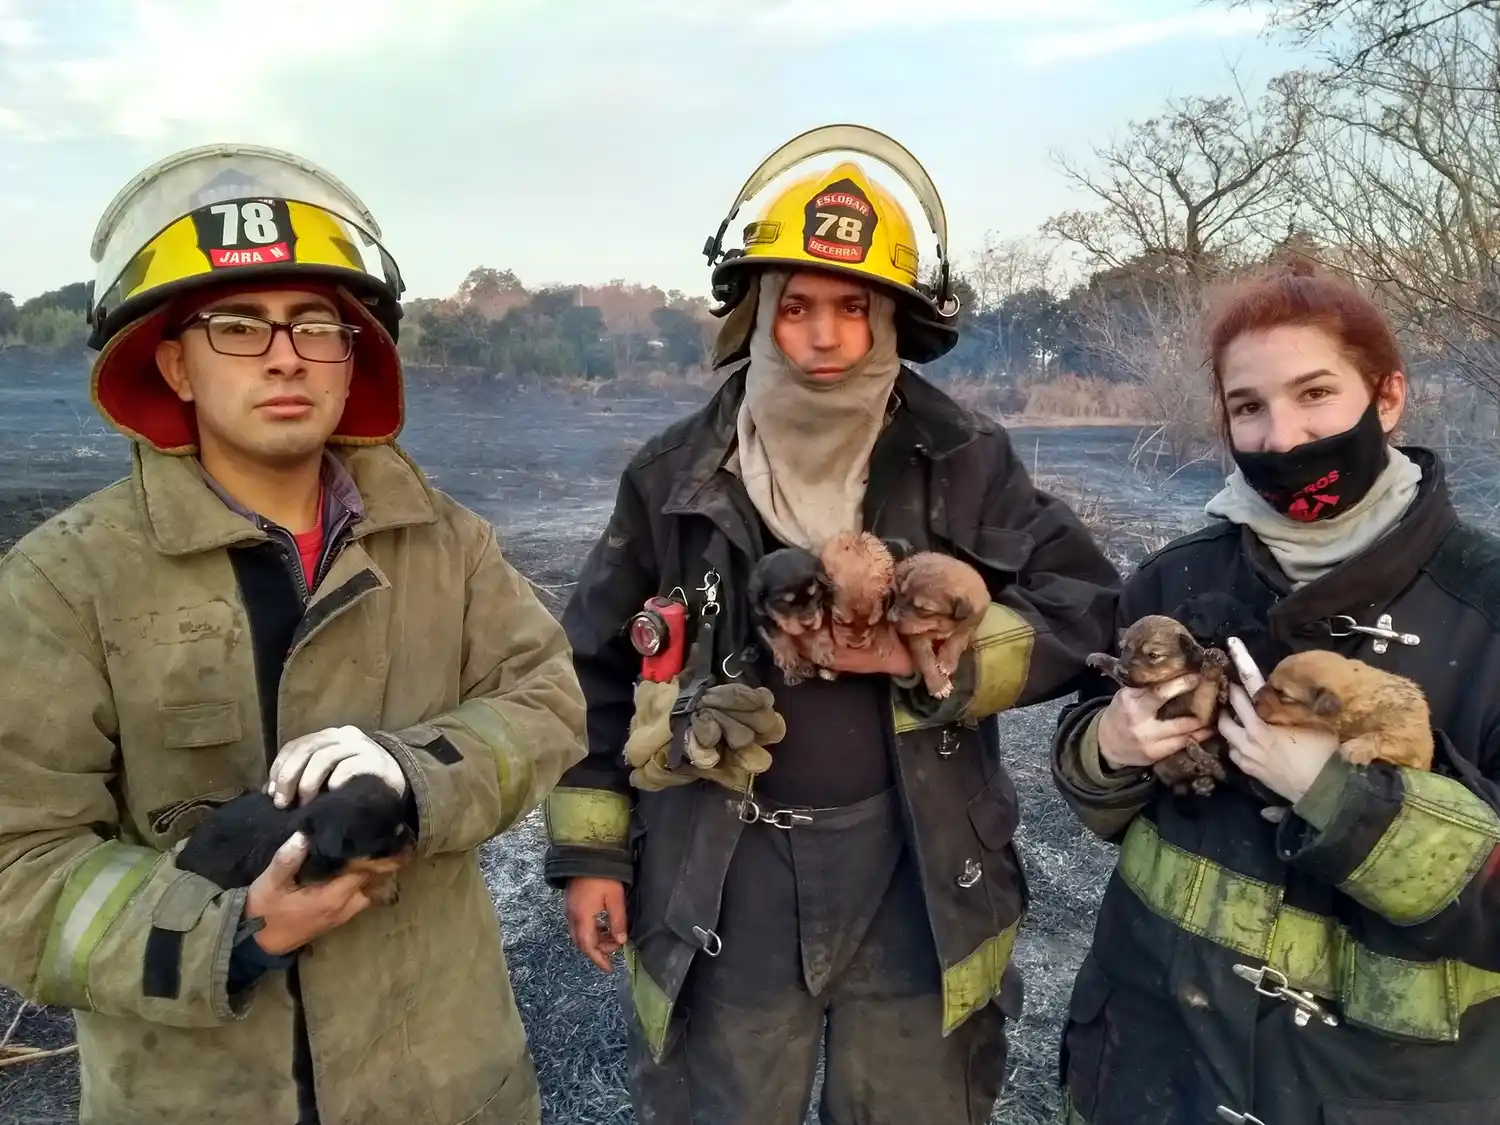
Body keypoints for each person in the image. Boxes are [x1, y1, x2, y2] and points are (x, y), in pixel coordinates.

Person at [544, 124, 1121, 1124]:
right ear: (758, 316)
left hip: (916, 871)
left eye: (852, 308)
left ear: (891, 316)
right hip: (725, 874)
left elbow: (1087, 602)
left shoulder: (963, 456)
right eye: (796, 306)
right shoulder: (675, 474)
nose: (821, 335)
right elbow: (591, 665)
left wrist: (946, 655)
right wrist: (593, 852)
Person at [0, 143, 587, 1125]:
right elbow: (19, 862)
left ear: (352, 361)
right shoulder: (64, 584)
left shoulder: (443, 542)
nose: (284, 355)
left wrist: (414, 771)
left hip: (447, 1090)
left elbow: (551, 702)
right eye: (238, 326)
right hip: (195, 1098)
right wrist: (224, 928)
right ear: (173, 363)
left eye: (317, 326)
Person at [1051, 261, 1500, 1124]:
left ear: (1389, 397)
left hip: (1381, 1093)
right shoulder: (1174, 578)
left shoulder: (1484, 612)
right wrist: (1106, 748)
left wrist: (1344, 799)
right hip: (1148, 1071)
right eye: (1248, 406)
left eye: (1316, 393)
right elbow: (1090, 773)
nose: (1283, 438)